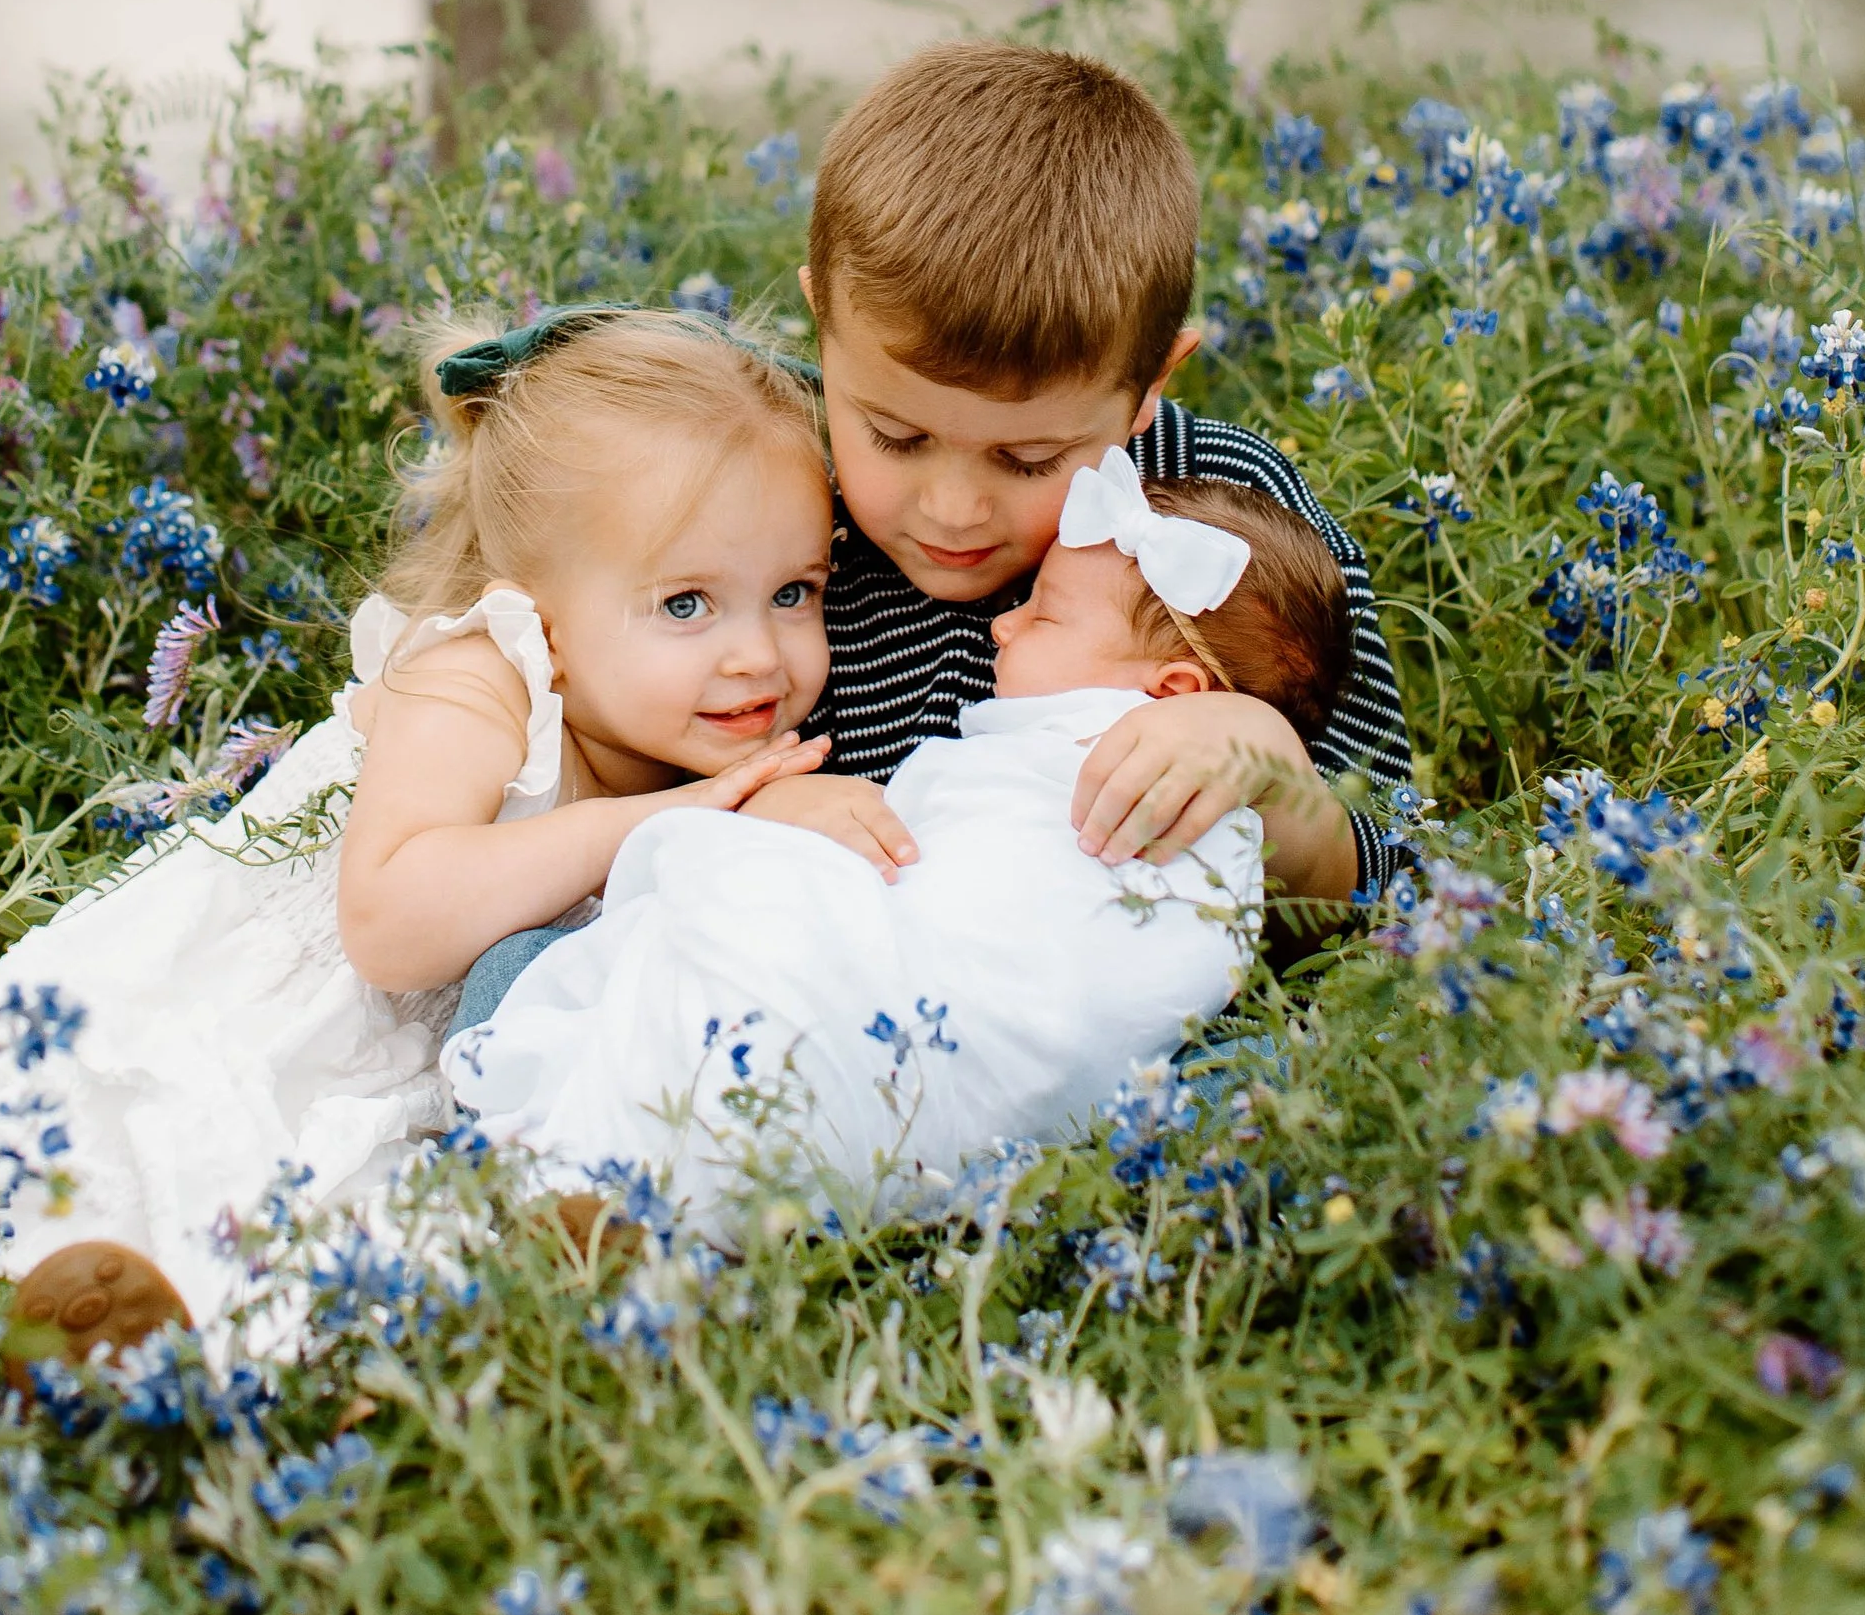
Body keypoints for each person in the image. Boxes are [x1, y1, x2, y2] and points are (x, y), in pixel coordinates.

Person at [0, 308, 843, 1361]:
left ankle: (218, 1355)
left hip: (416, 1083)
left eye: (793, 592)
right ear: (539, 609)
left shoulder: (694, 736)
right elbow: (389, 923)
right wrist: (657, 822)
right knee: (157, 1150)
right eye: (687, 604)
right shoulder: (481, 678)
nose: (760, 654)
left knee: (375, 1242)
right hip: (261, 1014)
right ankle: (72, 1305)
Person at [449, 37, 1409, 1033]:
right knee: (523, 978)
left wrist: (1267, 773)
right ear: (822, 324)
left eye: (1026, 460)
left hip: (1110, 1028)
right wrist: (741, 818)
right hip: (822, 1009)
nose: (951, 508)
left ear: (1149, 385)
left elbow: (1397, 869)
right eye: (895, 436)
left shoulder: (1222, 516)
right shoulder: (773, 511)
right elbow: (641, 761)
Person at [444, 444, 1351, 1216]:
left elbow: (1359, 886)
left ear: (1173, 693)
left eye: (1043, 614)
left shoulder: (1154, 753)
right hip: (964, 1087)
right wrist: (773, 818)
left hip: (909, 1027)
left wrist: (1263, 750)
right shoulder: (772, 491)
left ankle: (610, 1165)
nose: (1003, 625)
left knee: (564, 977)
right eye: (899, 434)